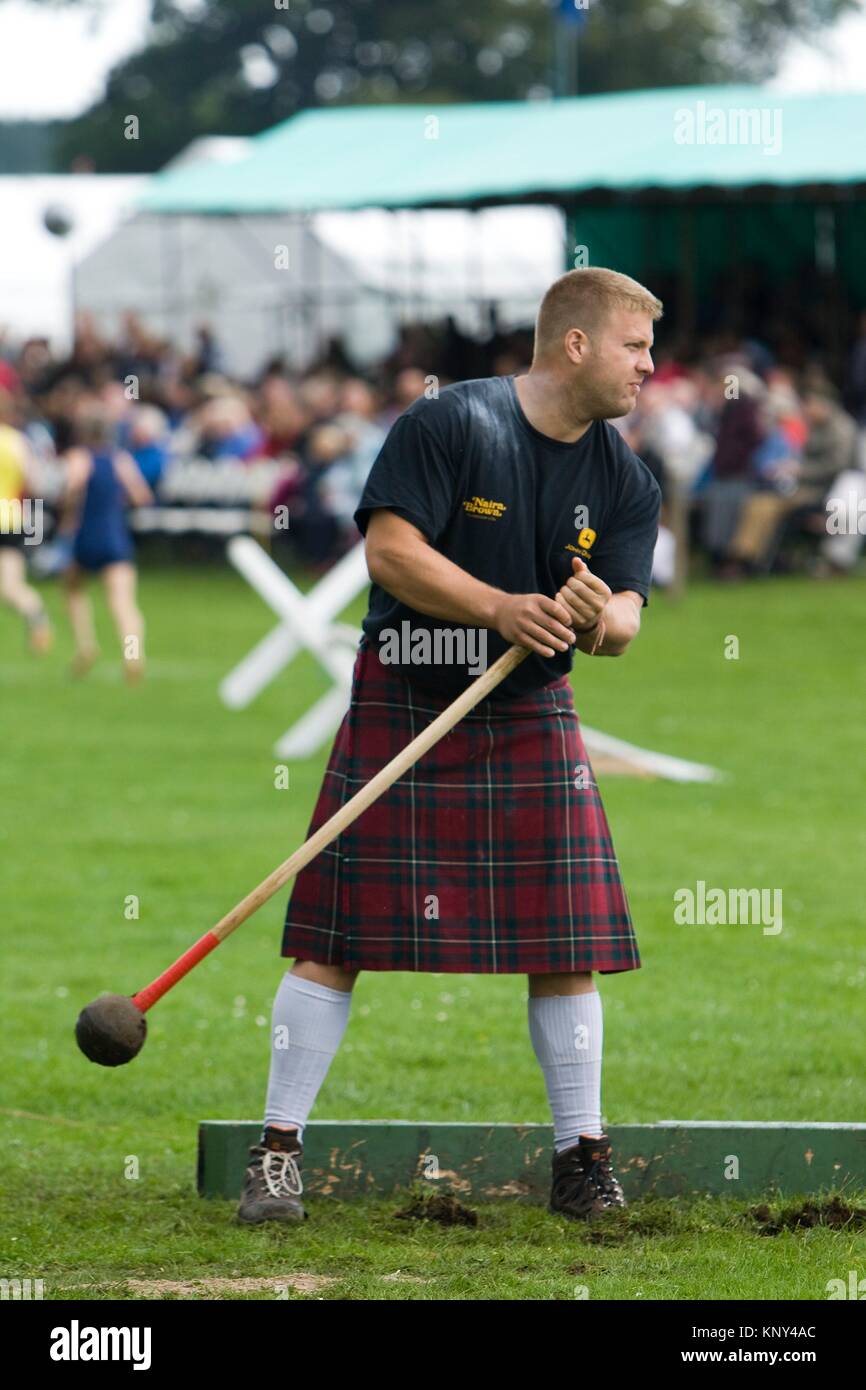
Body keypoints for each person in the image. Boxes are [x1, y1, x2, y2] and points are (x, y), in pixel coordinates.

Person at [237, 267, 663, 1227]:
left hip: (527, 713)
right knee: (332, 939)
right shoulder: (453, 424)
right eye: (636, 345)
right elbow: (390, 553)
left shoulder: (625, 477)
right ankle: (275, 1155)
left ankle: (582, 1159)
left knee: (567, 944)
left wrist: (600, 618)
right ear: (577, 344)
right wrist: (501, 607)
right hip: (407, 690)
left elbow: (629, 615)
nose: (650, 365)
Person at [59, 406, 153, 681]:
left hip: (86, 535)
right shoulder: (120, 460)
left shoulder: (79, 457)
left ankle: (85, 645)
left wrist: (69, 514)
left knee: (74, 590)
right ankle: (133, 655)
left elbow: (72, 488)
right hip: (115, 535)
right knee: (123, 602)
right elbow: (142, 497)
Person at [0, 393, 53, 651]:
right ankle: (36, 614)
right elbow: (35, 483)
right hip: (11, 518)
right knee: (11, 587)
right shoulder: (18, 442)